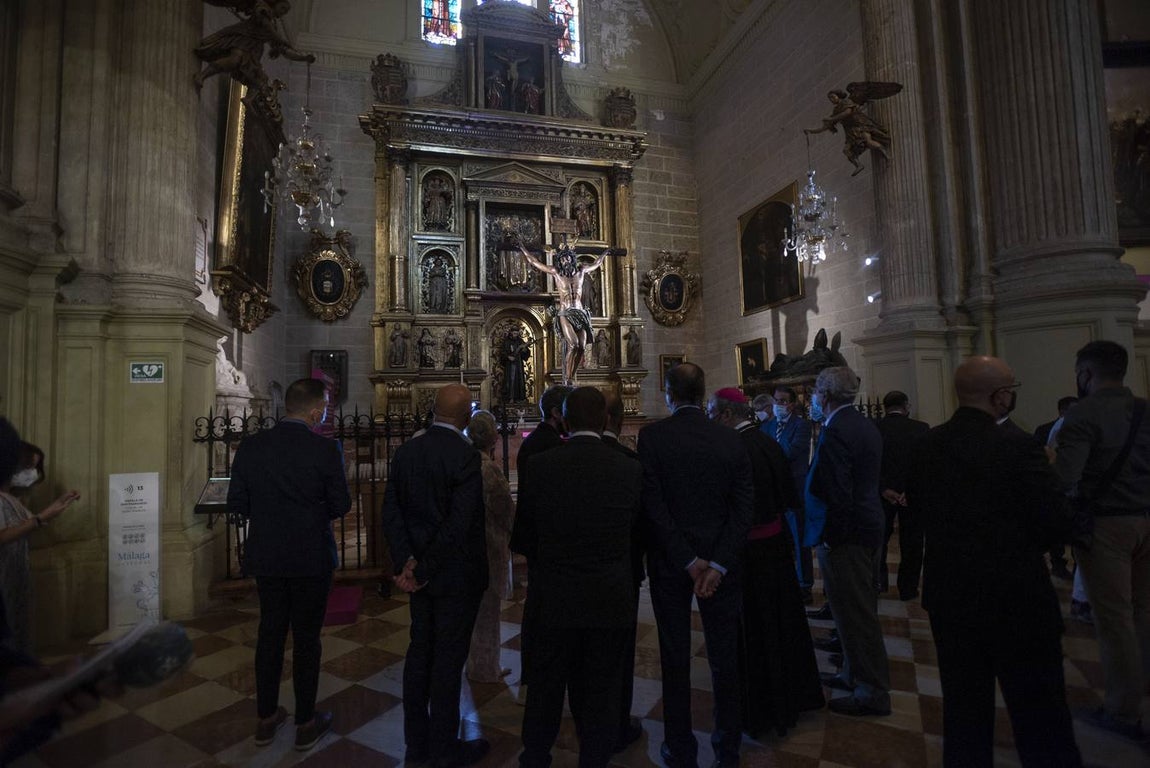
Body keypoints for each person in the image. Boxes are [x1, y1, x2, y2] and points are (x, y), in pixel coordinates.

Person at [907, 356, 1083, 766]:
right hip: (1015, 594)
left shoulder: (929, 444)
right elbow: (1054, 526)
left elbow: (917, 510)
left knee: (964, 713)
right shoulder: (1020, 447)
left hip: (951, 594)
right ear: (1001, 397)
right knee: (1039, 714)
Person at [514, 387, 642, 767]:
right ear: (605, 420)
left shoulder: (541, 466)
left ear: (564, 420)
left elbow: (523, 538)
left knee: (546, 686)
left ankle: (535, 757)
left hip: (554, 596)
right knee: (601, 688)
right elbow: (638, 536)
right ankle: (595, 759)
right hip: (608, 596)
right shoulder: (630, 467)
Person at [226, 379, 350, 751]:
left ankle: (266, 719)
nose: (326, 412)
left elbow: (238, 502)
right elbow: (341, 505)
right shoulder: (325, 450)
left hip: (267, 555)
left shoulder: (252, 447)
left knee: (270, 634)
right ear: (315, 411)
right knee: (307, 640)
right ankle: (306, 723)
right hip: (311, 556)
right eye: (326, 406)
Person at [639, 363, 752, 768]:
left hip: (673, 564)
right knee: (725, 659)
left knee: (675, 656)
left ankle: (680, 747)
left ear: (669, 393)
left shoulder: (652, 438)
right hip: (721, 565)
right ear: (703, 394)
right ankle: (727, 749)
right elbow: (743, 511)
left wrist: (688, 560)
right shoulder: (730, 440)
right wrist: (717, 564)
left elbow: (653, 507)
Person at [381, 383, 490, 767]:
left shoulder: (408, 451)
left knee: (418, 655)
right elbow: (460, 524)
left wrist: (405, 564)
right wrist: (424, 569)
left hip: (419, 579)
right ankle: (444, 747)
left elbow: (390, 511)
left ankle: (416, 745)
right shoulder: (465, 456)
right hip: (454, 577)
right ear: (465, 417)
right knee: (447, 663)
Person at [707, 388, 823, 737]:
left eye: (713, 413)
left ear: (728, 415)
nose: (710, 419)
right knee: (782, 625)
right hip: (775, 546)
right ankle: (793, 696)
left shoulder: (730, 449)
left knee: (756, 632)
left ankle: (760, 709)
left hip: (748, 553)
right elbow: (789, 497)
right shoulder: (769, 443)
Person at [1054, 340, 1150, 742]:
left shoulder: (1083, 415)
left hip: (1107, 525)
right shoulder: (1145, 410)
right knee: (1143, 611)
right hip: (1147, 518)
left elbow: (1065, 480)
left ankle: (1123, 710)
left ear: (1085, 374)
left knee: (1113, 620)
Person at [806, 366, 891, 716]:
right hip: (867, 525)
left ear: (824, 396)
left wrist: (829, 538)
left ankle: (871, 691)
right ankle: (851, 672)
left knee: (856, 615)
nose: (813, 398)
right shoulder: (860, 424)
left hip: (848, 535)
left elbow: (837, 492)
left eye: (814, 392)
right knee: (852, 610)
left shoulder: (839, 430)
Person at [510, 384, 571, 706]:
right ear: (557, 413)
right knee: (541, 606)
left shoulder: (541, 441)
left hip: (538, 537)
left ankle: (537, 670)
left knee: (539, 602)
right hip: (545, 538)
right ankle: (540, 671)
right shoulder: (548, 445)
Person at [0, 422, 81, 654]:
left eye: (35, 468)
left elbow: (29, 524)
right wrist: (40, 518)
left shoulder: (12, 498)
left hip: (14, 574)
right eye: (28, 466)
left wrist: (56, 507)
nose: (31, 474)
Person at [602, 390, 645, 751]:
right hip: (621, 575)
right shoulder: (631, 463)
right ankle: (616, 721)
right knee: (619, 651)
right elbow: (642, 526)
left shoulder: (547, 462)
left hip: (566, 581)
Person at [519, 235, 615, 384]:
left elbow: (597, 263)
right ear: (560, 261)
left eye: (567, 258)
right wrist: (522, 248)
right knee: (574, 344)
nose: (565, 261)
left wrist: (605, 252)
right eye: (562, 259)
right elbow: (535, 262)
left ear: (572, 259)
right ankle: (568, 378)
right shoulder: (557, 273)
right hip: (565, 313)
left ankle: (572, 375)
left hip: (580, 313)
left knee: (582, 347)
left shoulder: (581, 271)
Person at [464, 410, 515, 684]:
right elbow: (504, 509)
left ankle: (474, 663)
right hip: (489, 546)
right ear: (492, 437)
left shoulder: (464, 462)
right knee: (487, 611)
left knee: (472, 611)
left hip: (467, 548)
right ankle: (485, 668)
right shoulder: (488, 468)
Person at [759, 386, 814, 602]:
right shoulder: (767, 426)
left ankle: (804, 584)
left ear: (791, 404)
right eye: (776, 400)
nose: (778, 404)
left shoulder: (802, 425)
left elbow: (790, 452)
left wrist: (770, 452)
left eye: (782, 401)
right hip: (774, 492)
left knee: (800, 540)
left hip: (793, 489)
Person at [875, 391, 930, 600]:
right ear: (906, 406)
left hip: (883, 494)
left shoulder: (875, 428)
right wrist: (911, 490)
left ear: (884, 407)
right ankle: (908, 588)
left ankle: (879, 582)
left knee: (879, 540)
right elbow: (925, 464)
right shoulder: (921, 428)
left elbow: (872, 463)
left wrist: (883, 489)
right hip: (911, 495)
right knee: (912, 543)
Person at [1036, 396, 1079, 580]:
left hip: (1069, 488)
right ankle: (1059, 564)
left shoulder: (1047, 429)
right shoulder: (1048, 430)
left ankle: (1072, 566)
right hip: (1057, 487)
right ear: (1063, 411)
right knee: (1058, 531)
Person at [501, 327, 530, 403]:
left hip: (518, 364)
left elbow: (525, 353)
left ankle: (520, 398)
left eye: (517, 334)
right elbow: (502, 353)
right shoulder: (506, 342)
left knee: (519, 380)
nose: (515, 335)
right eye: (514, 333)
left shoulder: (520, 341)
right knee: (511, 380)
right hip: (510, 365)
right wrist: (508, 357)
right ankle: (510, 398)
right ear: (511, 333)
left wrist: (525, 350)